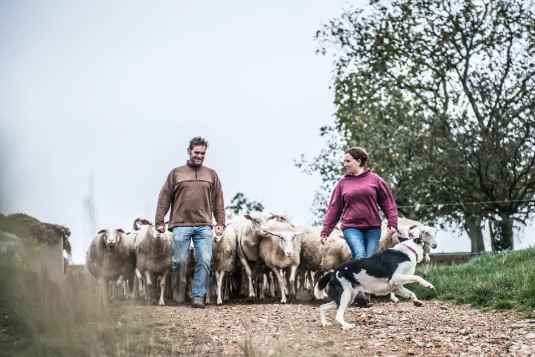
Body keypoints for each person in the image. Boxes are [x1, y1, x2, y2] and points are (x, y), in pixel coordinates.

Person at [320, 146, 398, 307]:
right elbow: (334, 208)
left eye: (348, 161)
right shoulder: (343, 183)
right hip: (351, 227)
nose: (345, 164)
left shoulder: (375, 179)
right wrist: (326, 230)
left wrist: (392, 221)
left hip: (373, 228)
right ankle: (361, 294)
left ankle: (361, 293)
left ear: (358, 161)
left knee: (369, 261)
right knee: (360, 255)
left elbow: (387, 202)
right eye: (344, 161)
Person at [155, 136, 225, 309]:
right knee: (178, 261)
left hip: (204, 225)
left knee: (205, 259)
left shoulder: (211, 174)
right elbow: (164, 197)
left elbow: (218, 200)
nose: (199, 156)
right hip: (180, 224)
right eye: (196, 152)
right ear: (189, 151)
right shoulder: (176, 173)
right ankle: (179, 290)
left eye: (202, 153)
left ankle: (198, 297)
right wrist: (159, 221)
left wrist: (220, 222)